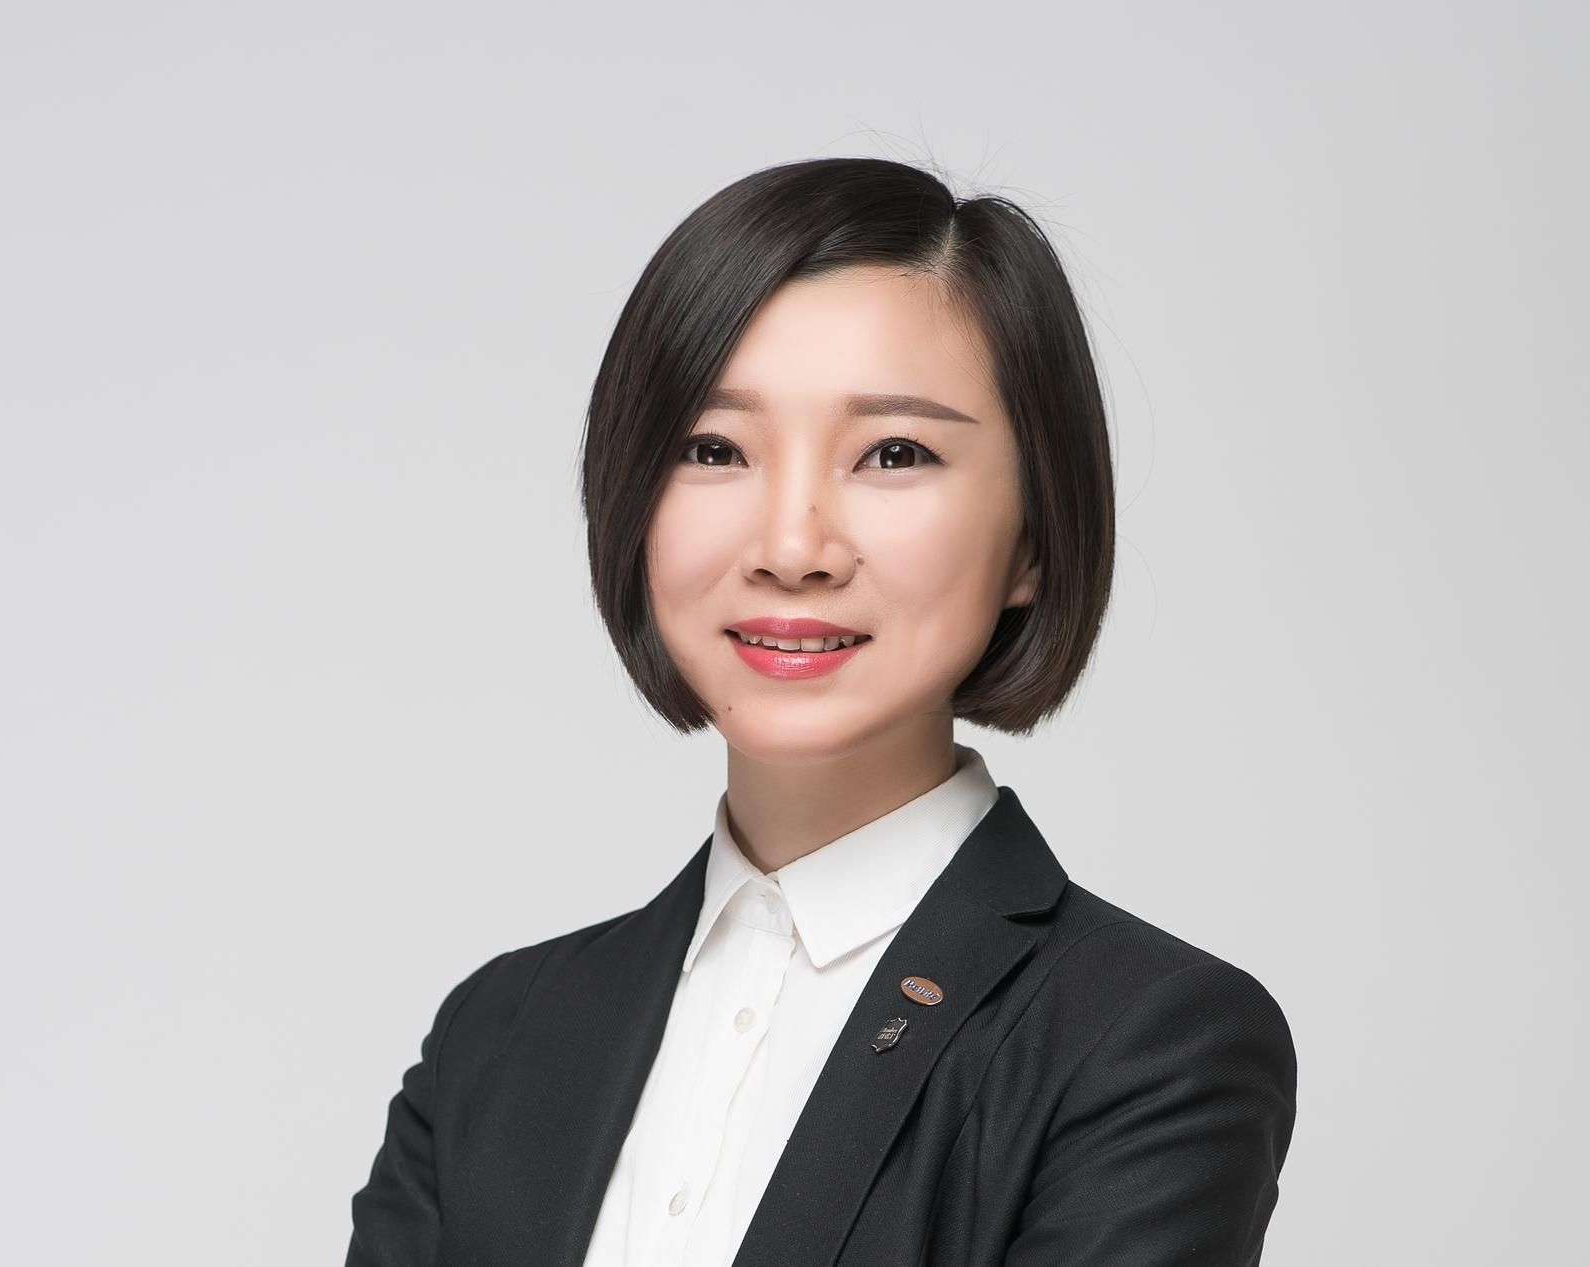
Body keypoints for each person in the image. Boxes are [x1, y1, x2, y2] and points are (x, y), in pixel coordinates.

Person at [345, 156, 1297, 1266]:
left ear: (1032, 539)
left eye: (893, 453)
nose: (792, 547)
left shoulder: (1145, 1041)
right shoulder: (497, 1036)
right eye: (714, 449)